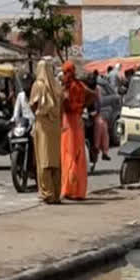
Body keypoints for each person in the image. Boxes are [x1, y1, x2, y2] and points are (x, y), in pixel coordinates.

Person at [30, 60, 63, 204]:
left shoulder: (38, 86)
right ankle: (56, 193)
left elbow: (33, 104)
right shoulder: (57, 86)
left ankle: (47, 193)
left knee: (43, 159)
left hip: (42, 125)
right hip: (55, 126)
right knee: (55, 160)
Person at [60, 61, 90, 201]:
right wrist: (83, 107)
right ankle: (78, 190)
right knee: (78, 155)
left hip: (70, 123)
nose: (65, 75)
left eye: (66, 72)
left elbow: (66, 105)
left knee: (69, 155)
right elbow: (93, 95)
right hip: (77, 122)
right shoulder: (80, 85)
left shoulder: (70, 87)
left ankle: (69, 189)